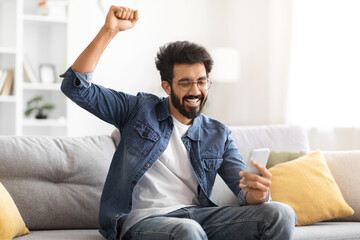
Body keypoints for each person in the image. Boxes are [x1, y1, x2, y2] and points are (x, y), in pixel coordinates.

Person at [60, 5, 296, 240]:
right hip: (145, 221)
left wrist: (259, 194)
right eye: (185, 83)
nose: (195, 91)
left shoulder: (218, 133)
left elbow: (243, 192)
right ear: (167, 86)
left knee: (281, 213)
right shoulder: (138, 109)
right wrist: (109, 31)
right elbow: (75, 87)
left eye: (202, 82)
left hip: (199, 217)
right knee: (188, 231)